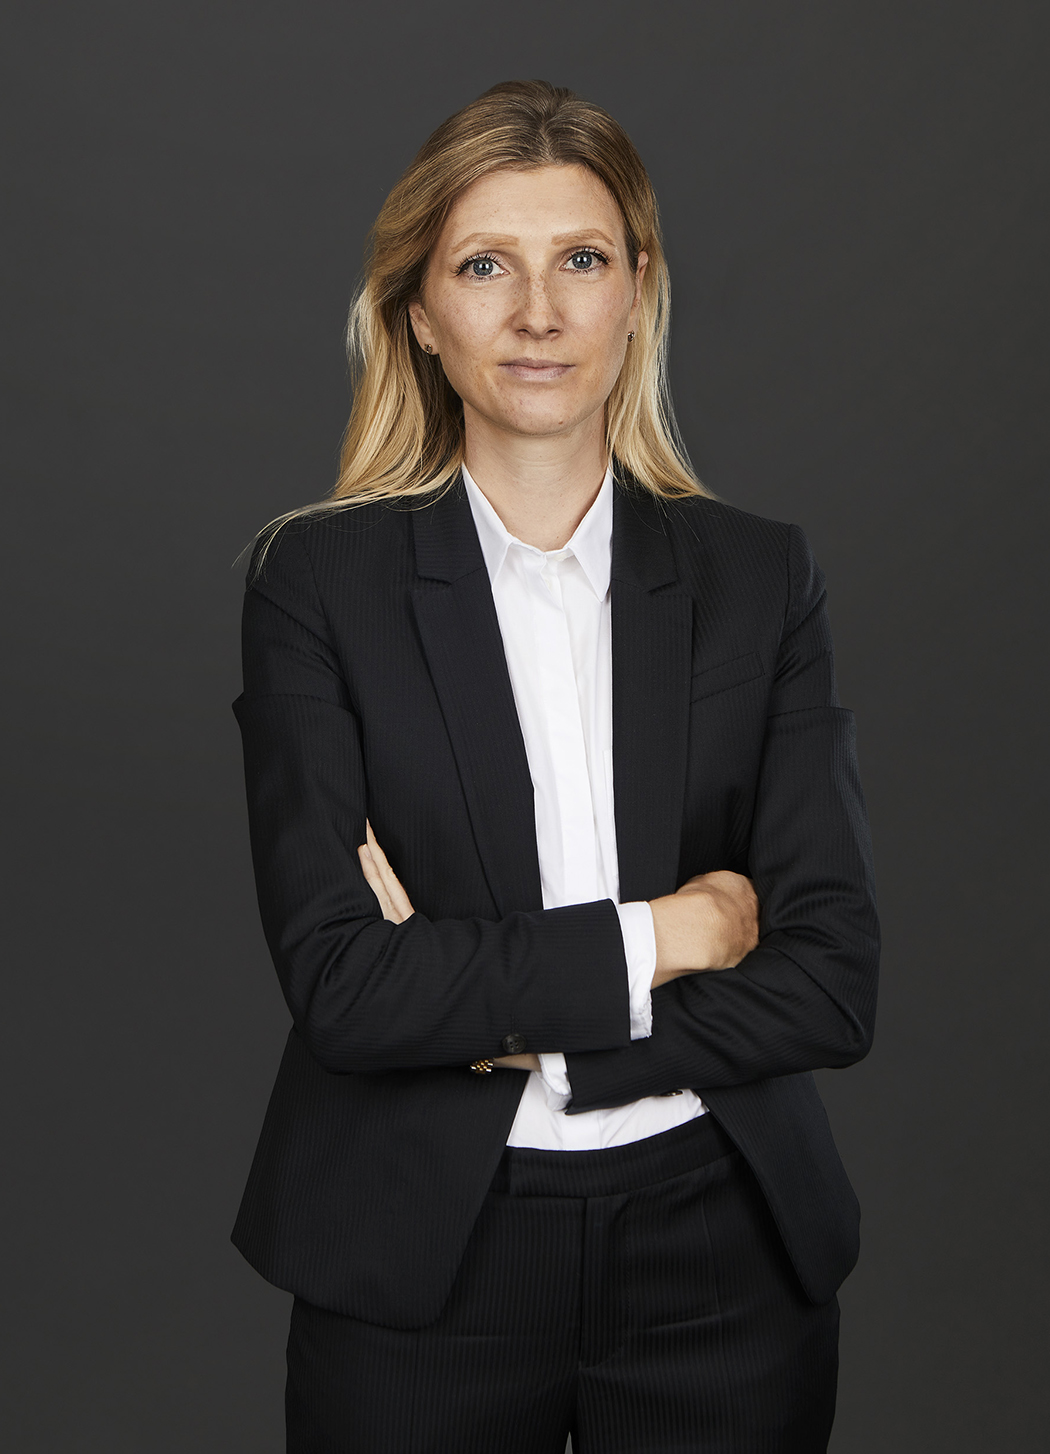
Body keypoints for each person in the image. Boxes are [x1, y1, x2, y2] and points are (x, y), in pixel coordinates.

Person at [232, 79, 879, 1454]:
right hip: (420, 1259)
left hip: (723, 1252)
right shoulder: (317, 586)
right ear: (418, 312)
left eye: (580, 259)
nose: (538, 311)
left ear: (638, 290)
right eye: (485, 266)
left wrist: (510, 1016)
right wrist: (672, 935)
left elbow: (829, 981)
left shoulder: (758, 580)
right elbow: (347, 987)